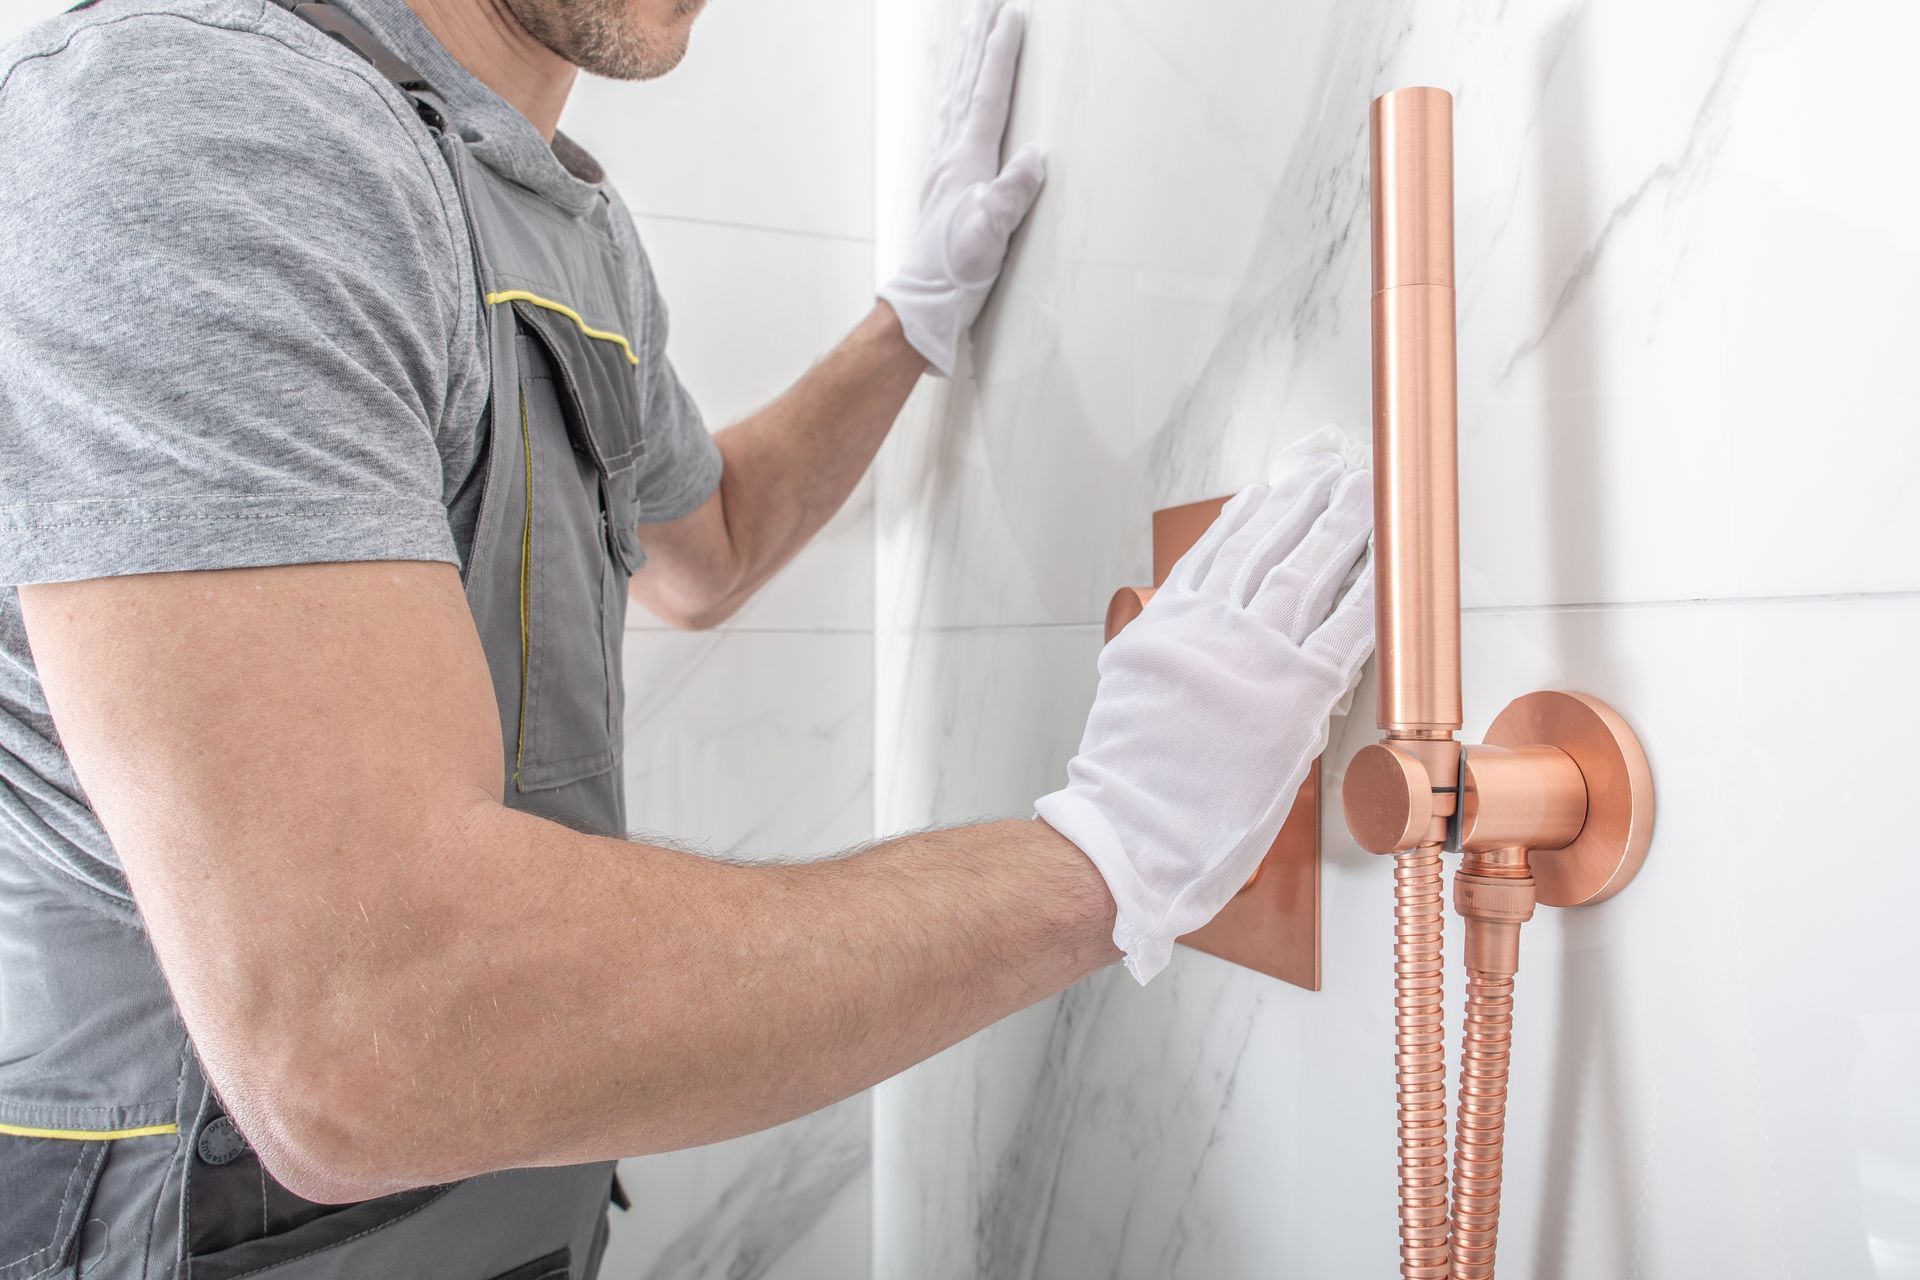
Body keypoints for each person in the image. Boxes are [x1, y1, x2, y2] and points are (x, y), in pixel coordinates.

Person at [0, 0, 1375, 1273]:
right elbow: (368, 1036)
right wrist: (1109, 856)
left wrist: (912, 324)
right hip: (192, 1228)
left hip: (509, 1195)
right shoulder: (199, 119)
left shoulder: (566, 221)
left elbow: (706, 545)